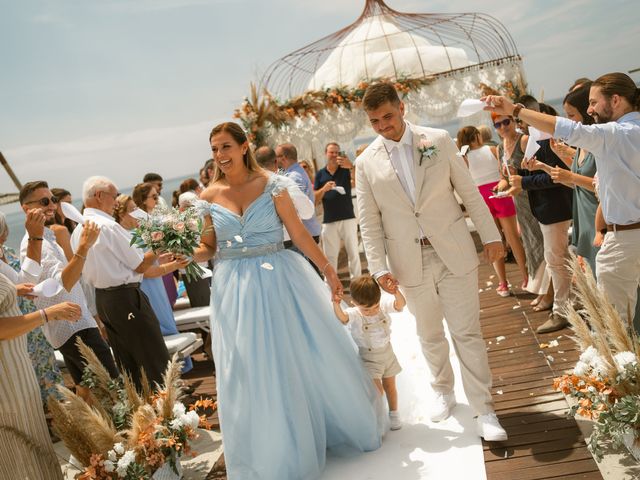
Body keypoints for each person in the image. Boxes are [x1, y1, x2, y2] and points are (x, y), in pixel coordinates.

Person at [192, 121, 384, 479]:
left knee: (295, 354)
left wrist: (328, 270)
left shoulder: (273, 185)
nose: (220, 155)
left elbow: (298, 233)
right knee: (249, 366)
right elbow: (208, 247)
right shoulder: (207, 197)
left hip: (278, 274)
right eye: (214, 149)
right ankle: (271, 448)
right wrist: (185, 253)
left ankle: (314, 433)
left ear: (244, 146)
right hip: (233, 287)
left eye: (225, 147)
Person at [356, 82, 507, 441]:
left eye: (388, 117)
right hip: (408, 261)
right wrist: (378, 268)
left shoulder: (437, 139)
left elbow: (468, 192)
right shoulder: (365, 163)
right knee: (429, 334)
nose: (382, 126)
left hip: (453, 249)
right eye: (375, 121)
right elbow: (369, 220)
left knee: (466, 332)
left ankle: (484, 410)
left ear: (402, 108)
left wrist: (491, 236)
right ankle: (443, 390)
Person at [484, 72, 640, 331]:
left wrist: (515, 110)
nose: (590, 110)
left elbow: (566, 129)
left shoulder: (614, 134)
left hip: (624, 241)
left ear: (615, 100)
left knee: (617, 327)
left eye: (593, 102)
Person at [0, 207, 82, 480]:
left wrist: (17, 290)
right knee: (16, 440)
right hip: (6, 367)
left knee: (32, 430)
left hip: (17, 360)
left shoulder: (2, 261)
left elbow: (24, 282)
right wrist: (49, 313)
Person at [19, 181, 119, 399]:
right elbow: (65, 282)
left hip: (72, 326)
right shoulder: (37, 244)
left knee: (86, 393)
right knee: (112, 385)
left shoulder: (46, 238)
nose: (52, 205)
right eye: (44, 201)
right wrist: (83, 246)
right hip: (75, 327)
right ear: (26, 209)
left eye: (53, 200)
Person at [71, 176, 170, 388]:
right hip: (126, 298)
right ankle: (168, 411)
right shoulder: (108, 226)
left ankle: (144, 412)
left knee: (128, 363)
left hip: (104, 300)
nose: (116, 201)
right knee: (154, 358)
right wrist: (161, 244)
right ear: (99, 196)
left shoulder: (79, 229)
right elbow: (140, 265)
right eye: (114, 196)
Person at [114, 194, 193, 373]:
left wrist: (163, 257)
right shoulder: (124, 236)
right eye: (133, 209)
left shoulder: (137, 233)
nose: (138, 212)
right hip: (146, 288)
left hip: (157, 287)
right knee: (160, 330)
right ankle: (171, 374)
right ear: (122, 214)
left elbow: (150, 260)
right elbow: (145, 271)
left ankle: (177, 373)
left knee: (167, 322)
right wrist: (174, 265)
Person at [0, 212, 63, 406]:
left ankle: (54, 415)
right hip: (12, 325)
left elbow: (25, 282)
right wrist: (35, 237)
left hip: (30, 320)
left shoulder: (7, 252)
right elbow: (23, 282)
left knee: (45, 367)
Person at [456, 126, 528, 296]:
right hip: (498, 191)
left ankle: (503, 284)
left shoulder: (462, 157)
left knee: (494, 239)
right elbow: (504, 171)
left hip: (480, 197)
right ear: (476, 136)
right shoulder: (492, 149)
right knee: (513, 237)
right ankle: (526, 277)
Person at [494, 110, 552, 309]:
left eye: (505, 121)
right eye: (497, 125)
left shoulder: (524, 141)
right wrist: (501, 185)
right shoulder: (499, 147)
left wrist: (515, 182)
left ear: (513, 120)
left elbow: (538, 168)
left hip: (533, 197)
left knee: (542, 244)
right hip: (518, 201)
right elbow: (504, 175)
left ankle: (550, 294)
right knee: (530, 244)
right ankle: (542, 291)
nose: (502, 127)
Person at [333, 274, 405, 431]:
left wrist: (395, 292)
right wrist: (337, 304)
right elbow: (342, 318)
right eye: (367, 309)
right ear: (354, 303)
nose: (372, 311)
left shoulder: (382, 306)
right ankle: (378, 418)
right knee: (376, 391)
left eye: (375, 306)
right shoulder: (354, 314)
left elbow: (400, 305)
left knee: (390, 387)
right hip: (369, 359)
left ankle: (394, 413)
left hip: (387, 354)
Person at [314, 142, 362, 280]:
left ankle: (357, 283)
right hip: (329, 220)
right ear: (326, 154)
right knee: (330, 256)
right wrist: (324, 189)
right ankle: (330, 285)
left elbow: (358, 181)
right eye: (331, 152)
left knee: (353, 253)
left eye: (337, 152)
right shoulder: (320, 174)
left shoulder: (345, 170)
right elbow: (315, 198)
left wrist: (351, 166)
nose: (334, 155)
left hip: (348, 217)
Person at [276, 143, 323, 267]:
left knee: (311, 275)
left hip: (306, 234)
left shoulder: (294, 177)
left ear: (283, 158)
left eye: (276, 157)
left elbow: (297, 205)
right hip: (307, 232)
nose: (275, 161)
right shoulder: (295, 173)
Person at [132, 182, 178, 305]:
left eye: (157, 195)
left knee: (171, 298)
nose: (158, 199)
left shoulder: (156, 217)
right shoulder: (139, 222)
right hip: (154, 267)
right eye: (154, 197)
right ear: (144, 200)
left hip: (165, 262)